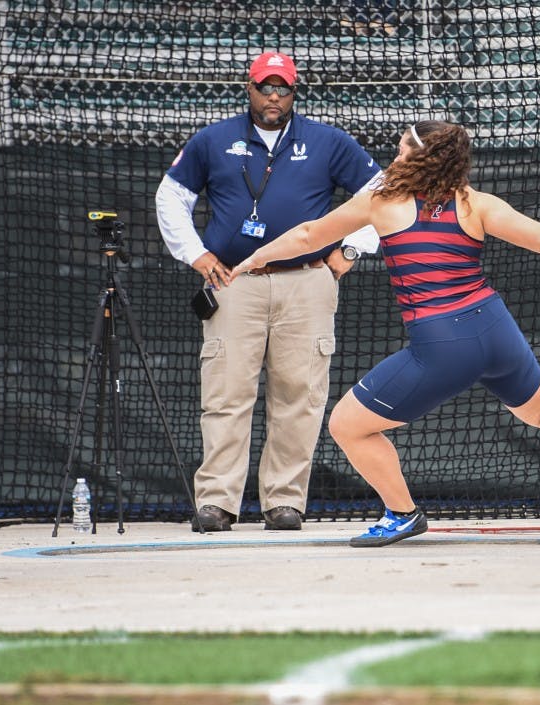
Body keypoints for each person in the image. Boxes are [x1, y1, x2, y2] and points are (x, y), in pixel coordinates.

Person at [229, 120, 540, 546]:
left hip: (442, 340)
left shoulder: (383, 202)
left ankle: (402, 513)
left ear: (421, 158)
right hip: (494, 326)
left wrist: (254, 260)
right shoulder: (475, 204)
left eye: (401, 150)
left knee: (347, 425)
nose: (394, 158)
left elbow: (308, 234)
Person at [155, 51, 381, 532]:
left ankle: (284, 501)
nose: (274, 96)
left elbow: (383, 192)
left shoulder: (327, 140)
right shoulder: (214, 139)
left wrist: (351, 251)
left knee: (300, 395)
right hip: (234, 281)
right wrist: (196, 255)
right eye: (265, 87)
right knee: (225, 394)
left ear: (295, 92)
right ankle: (216, 501)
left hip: (306, 283)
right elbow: (170, 196)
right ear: (249, 88)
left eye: (284, 88)